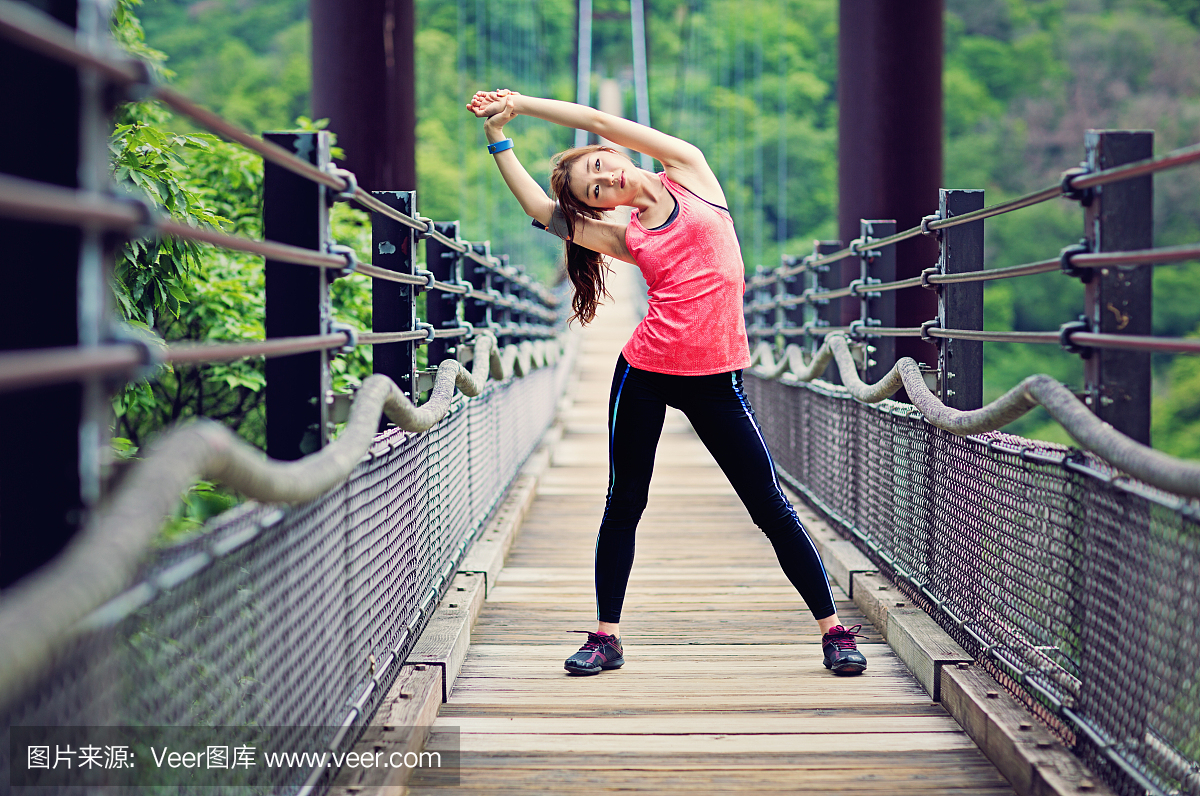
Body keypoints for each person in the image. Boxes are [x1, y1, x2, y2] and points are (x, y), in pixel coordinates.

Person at [466, 89, 867, 676]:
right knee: (625, 502)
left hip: (714, 379)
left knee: (769, 506)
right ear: (596, 208)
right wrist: (498, 142)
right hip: (646, 372)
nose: (605, 181)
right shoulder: (626, 236)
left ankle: (834, 633)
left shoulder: (690, 172)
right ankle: (606, 638)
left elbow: (600, 119)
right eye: (593, 191)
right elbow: (540, 207)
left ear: (616, 153)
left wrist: (520, 105)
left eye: (601, 166)